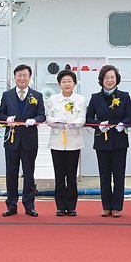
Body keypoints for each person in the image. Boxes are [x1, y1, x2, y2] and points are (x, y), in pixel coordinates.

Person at [0, 64, 46, 217]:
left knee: (29, 173)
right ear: (15, 77)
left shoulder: (37, 96)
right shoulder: (7, 95)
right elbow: (0, 115)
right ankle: (11, 205)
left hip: (29, 140)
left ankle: (29, 205)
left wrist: (34, 120)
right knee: (11, 173)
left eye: (25, 75)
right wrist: (7, 119)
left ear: (29, 77)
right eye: (19, 75)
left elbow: (42, 115)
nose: (22, 78)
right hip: (11, 139)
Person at [87, 64, 131, 217]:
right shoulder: (95, 97)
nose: (110, 80)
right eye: (107, 77)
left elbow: (129, 115)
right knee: (104, 175)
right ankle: (106, 206)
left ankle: (117, 206)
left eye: (112, 77)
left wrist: (123, 124)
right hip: (102, 141)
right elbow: (88, 118)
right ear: (102, 80)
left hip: (119, 140)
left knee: (119, 175)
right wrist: (98, 125)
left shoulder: (124, 96)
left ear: (117, 79)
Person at [46, 69, 87, 216]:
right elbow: (48, 118)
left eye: (69, 81)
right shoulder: (53, 99)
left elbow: (82, 119)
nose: (67, 84)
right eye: (63, 81)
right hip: (57, 142)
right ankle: (60, 206)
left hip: (73, 141)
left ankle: (71, 206)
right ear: (59, 84)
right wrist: (57, 121)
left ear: (74, 83)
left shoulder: (80, 99)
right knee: (59, 176)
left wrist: (73, 123)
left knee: (71, 176)